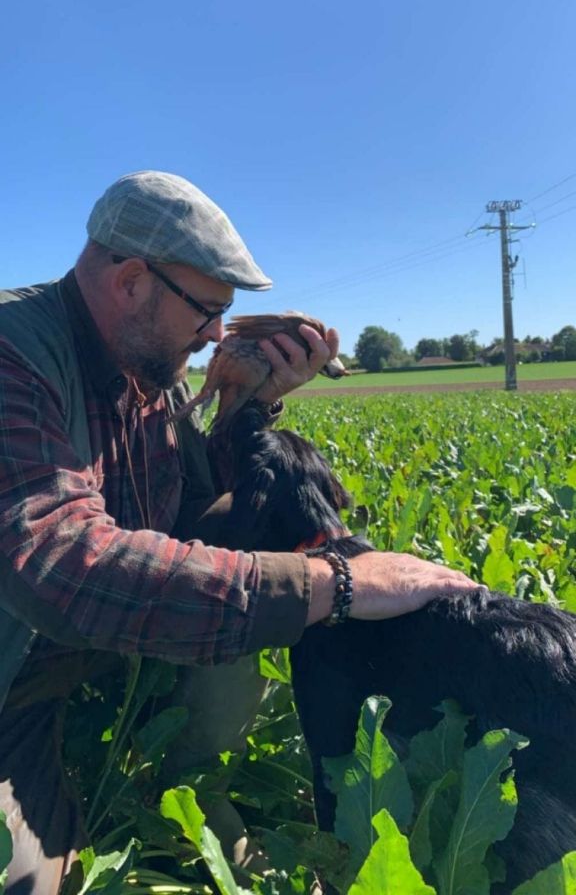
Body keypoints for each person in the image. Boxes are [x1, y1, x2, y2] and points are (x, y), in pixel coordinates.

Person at [0, 171, 478, 893]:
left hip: (93, 656)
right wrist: (336, 585)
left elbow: (193, 511)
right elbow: (60, 564)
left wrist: (243, 409)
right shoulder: (15, 355)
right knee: (29, 882)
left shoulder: (144, 361)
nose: (217, 335)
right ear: (132, 282)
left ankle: (191, 777)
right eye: (207, 311)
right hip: (15, 687)